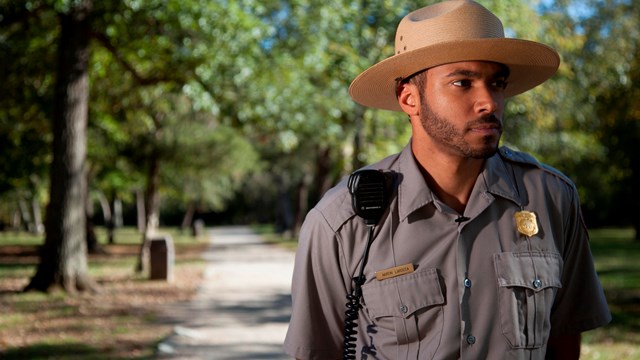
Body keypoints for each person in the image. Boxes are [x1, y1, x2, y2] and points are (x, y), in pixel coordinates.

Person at [283, 1, 611, 359]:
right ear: (410, 98)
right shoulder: (341, 222)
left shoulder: (550, 198)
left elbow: (564, 340)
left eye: (497, 83)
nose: (488, 102)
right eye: (462, 83)